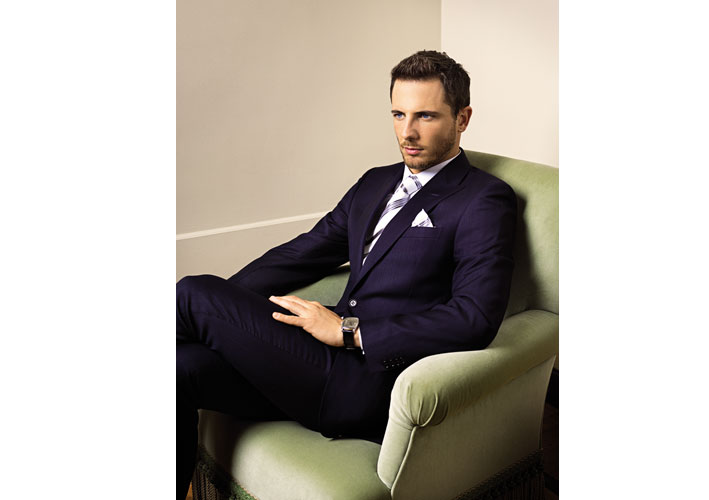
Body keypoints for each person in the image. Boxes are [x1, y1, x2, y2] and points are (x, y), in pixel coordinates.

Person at [176, 50, 517, 499]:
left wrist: (350, 332)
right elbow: (301, 254)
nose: (407, 132)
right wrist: (225, 314)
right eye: (398, 114)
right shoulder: (375, 182)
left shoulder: (484, 199)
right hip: (308, 362)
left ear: (462, 118)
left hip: (361, 380)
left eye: (426, 116)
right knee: (178, 367)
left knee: (191, 291)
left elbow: (475, 317)